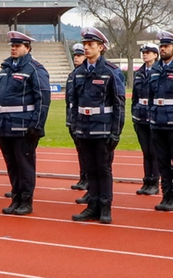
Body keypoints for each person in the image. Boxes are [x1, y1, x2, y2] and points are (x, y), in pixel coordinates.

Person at [0, 31, 51, 215]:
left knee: (24, 166)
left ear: (27, 48)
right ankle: (16, 198)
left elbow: (43, 99)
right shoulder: (5, 69)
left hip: (23, 127)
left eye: (17, 46)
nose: (13, 49)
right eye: (12, 46)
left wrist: (37, 125)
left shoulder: (35, 69)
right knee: (12, 166)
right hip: (5, 127)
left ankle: (26, 201)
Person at [69, 27, 125, 223]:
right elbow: (74, 104)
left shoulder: (110, 72)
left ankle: (105, 207)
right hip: (84, 129)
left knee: (103, 169)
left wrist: (115, 133)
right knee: (90, 169)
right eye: (84, 45)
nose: (86, 48)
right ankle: (92, 205)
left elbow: (118, 104)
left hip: (102, 129)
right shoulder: (79, 73)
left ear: (101, 47)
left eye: (90, 45)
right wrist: (75, 127)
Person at [149, 32, 173, 212]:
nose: (162, 49)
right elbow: (150, 96)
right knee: (162, 161)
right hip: (157, 122)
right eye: (161, 46)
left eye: (166, 46)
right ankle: (166, 194)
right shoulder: (155, 70)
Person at [132, 42, 161, 196]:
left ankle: (154, 181)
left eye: (149, 52)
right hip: (140, 116)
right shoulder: (139, 73)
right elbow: (135, 97)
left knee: (153, 151)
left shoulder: (158, 72)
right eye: (144, 52)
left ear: (155, 55)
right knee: (146, 151)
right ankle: (146, 181)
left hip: (153, 115)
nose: (145, 54)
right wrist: (134, 114)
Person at [67, 43, 89, 194]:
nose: (76, 58)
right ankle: (83, 177)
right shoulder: (72, 75)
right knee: (80, 151)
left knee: (86, 151)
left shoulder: (84, 74)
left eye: (79, 55)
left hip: (83, 119)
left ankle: (87, 179)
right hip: (72, 117)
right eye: (75, 55)